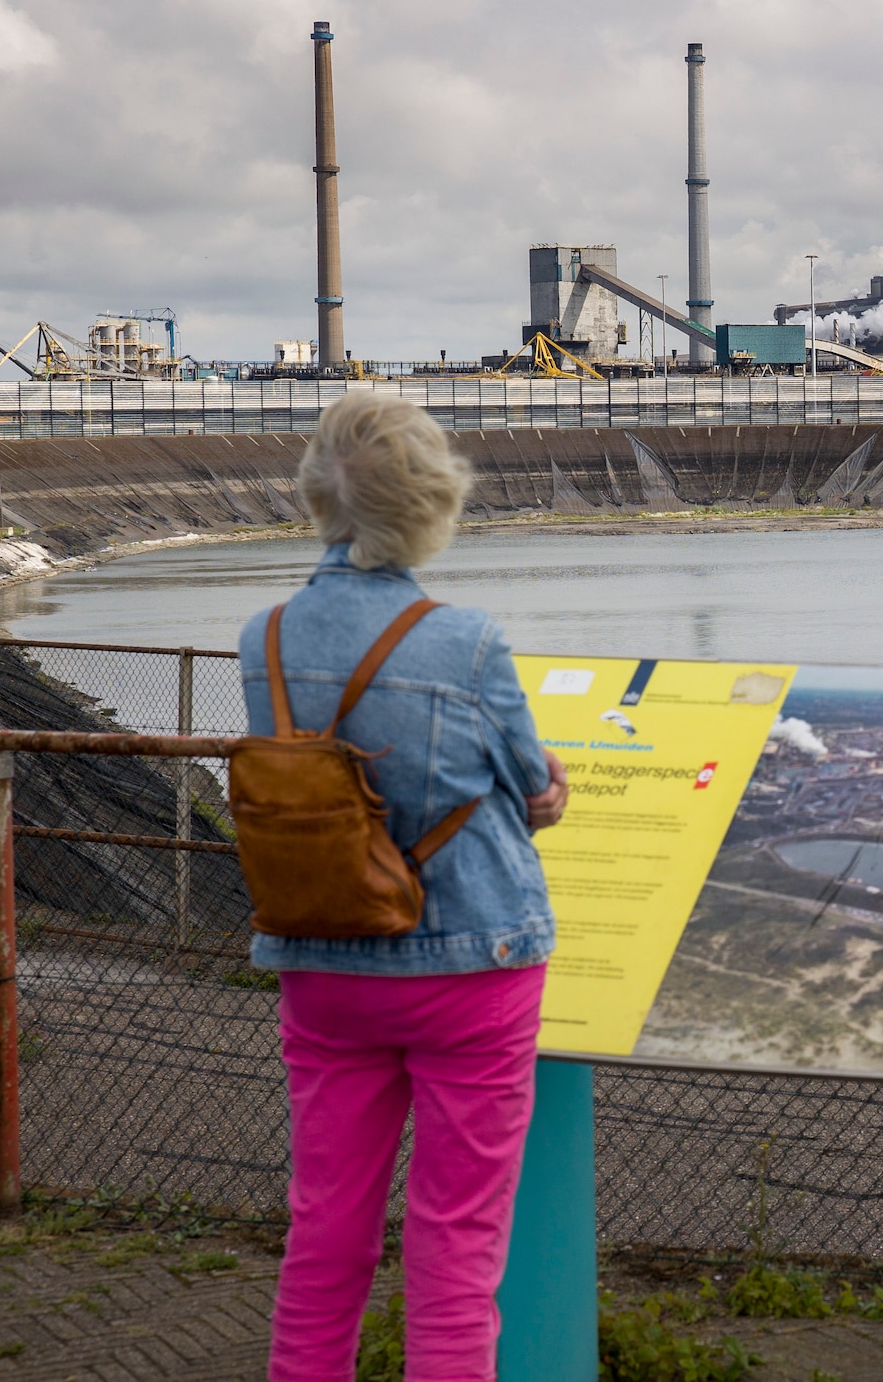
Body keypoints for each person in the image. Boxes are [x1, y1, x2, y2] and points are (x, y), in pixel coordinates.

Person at [243, 393, 568, 1382]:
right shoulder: (465, 640)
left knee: (326, 1230)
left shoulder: (265, 638)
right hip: (475, 961)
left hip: (324, 961)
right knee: (455, 1247)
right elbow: (528, 784)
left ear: (318, 496)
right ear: (428, 503)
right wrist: (548, 789)